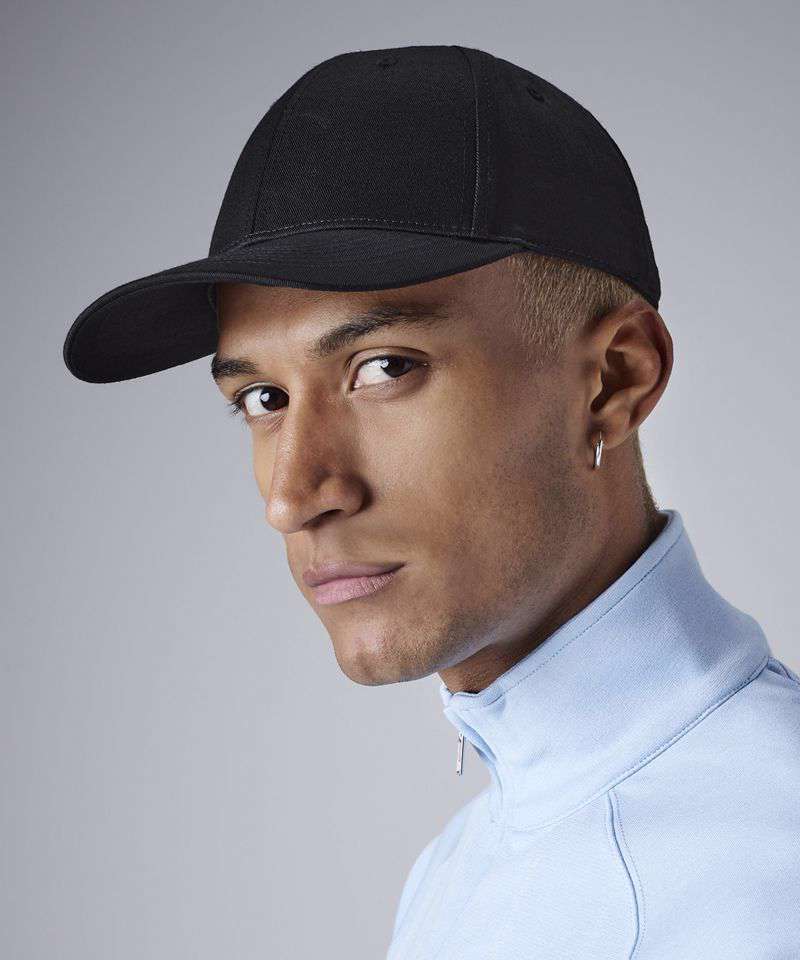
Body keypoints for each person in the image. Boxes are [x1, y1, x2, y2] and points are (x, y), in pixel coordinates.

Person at [63, 44, 799, 959]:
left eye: (385, 368)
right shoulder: (461, 867)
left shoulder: (764, 869)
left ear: (615, 379)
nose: (294, 497)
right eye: (262, 397)